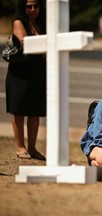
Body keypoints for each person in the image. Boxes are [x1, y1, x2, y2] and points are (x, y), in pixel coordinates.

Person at [5, 0, 46, 160]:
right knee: (19, 110)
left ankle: (32, 148)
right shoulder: (19, 22)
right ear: (23, 7)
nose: (33, 9)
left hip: (38, 71)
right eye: (29, 6)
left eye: (36, 5)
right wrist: (45, 46)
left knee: (35, 111)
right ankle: (20, 147)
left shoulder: (43, 23)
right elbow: (26, 43)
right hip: (20, 72)